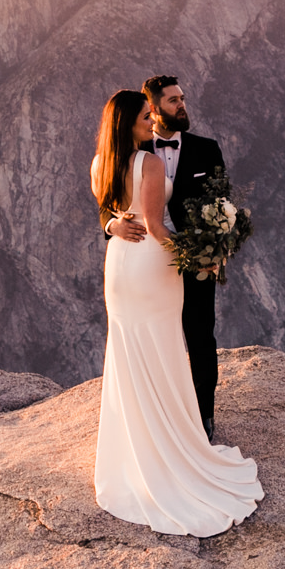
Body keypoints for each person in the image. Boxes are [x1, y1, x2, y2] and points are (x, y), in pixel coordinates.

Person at [89, 87, 262, 536]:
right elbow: (153, 226)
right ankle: (172, 447)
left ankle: (135, 450)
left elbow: (109, 211)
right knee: (163, 347)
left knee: (131, 350)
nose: (152, 121)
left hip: (120, 269)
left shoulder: (100, 163)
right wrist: (197, 256)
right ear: (127, 122)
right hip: (150, 264)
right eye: (146, 116)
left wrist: (111, 222)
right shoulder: (146, 162)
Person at [103, 74, 227, 435]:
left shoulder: (207, 149)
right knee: (158, 336)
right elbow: (107, 202)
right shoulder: (133, 154)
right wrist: (112, 225)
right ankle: (158, 416)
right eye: (173, 100)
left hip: (196, 260)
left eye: (182, 98)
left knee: (201, 335)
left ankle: (202, 416)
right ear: (153, 110)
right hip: (152, 263)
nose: (182, 105)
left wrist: (216, 249)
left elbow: (222, 204)